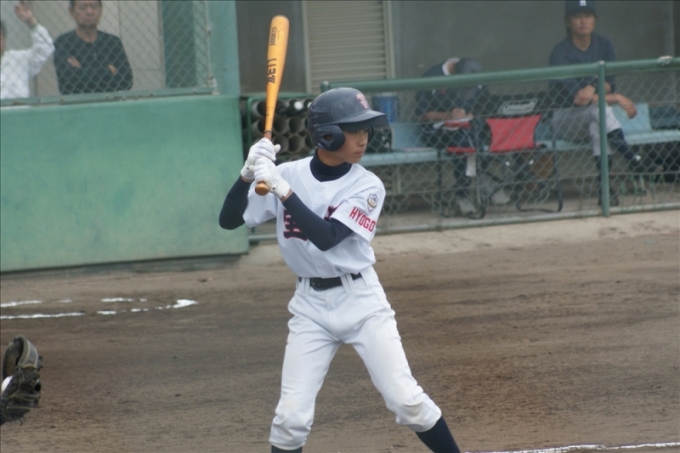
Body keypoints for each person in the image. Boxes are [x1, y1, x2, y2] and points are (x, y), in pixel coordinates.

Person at [219, 87, 462, 453]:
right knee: (290, 420)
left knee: (406, 401)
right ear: (327, 134)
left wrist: (283, 191)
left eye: (365, 130)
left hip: (361, 301)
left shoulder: (367, 185)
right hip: (309, 306)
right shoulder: (288, 173)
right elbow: (228, 221)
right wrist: (245, 175)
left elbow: (327, 238)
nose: (363, 138)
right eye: (353, 130)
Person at [548, 0, 658, 205]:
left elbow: (608, 84)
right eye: (577, 16)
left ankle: (605, 189)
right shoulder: (560, 52)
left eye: (588, 16)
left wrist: (593, 87)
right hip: (564, 119)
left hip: (594, 116)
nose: (583, 21)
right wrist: (617, 97)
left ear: (595, 20)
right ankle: (631, 159)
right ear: (567, 21)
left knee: (598, 123)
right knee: (599, 111)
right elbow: (579, 99)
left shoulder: (604, 45)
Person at [416, 57, 510, 216]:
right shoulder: (432, 76)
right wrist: (448, 115)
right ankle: (479, 183)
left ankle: (465, 191)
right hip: (437, 131)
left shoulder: (475, 75)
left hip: (470, 128)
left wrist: (472, 114)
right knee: (464, 138)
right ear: (454, 73)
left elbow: (485, 105)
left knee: (471, 135)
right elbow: (423, 114)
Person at [54, 0, 132, 95]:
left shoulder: (113, 42)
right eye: (83, 8)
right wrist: (109, 70)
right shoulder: (63, 43)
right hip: (78, 103)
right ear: (72, 12)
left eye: (94, 6)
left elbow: (127, 80)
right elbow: (68, 84)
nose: (89, 12)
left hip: (110, 102)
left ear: (101, 10)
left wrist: (81, 71)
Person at [0, 1, 54, 100]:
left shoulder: (18, 59)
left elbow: (45, 49)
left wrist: (31, 22)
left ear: (5, 39)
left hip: (19, 109)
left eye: (0, 38)